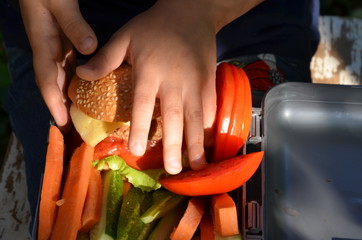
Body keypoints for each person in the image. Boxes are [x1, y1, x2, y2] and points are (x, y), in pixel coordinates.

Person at [0, 0, 320, 233]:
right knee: (62, 214)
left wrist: (196, 11)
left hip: (243, 24)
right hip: (73, 29)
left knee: (263, 211)